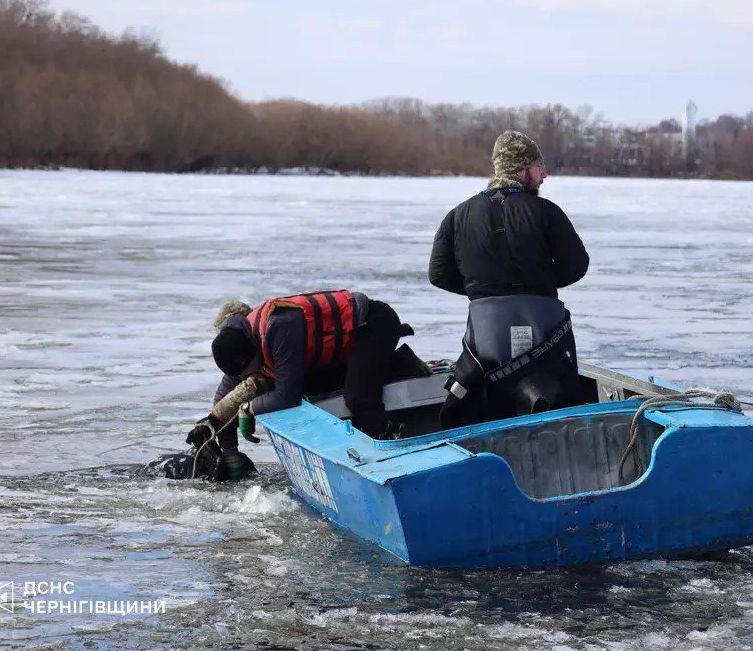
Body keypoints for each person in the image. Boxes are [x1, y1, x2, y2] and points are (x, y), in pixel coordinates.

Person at [428, 130, 589, 426]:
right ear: (520, 169)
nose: (544, 175)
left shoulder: (458, 215)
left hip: (486, 338)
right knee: (554, 394)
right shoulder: (547, 212)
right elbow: (577, 266)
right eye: (538, 167)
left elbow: (438, 274)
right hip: (544, 333)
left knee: (490, 397)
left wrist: (484, 291)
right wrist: (539, 286)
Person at [184, 290, 409, 480]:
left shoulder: (279, 327)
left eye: (251, 368)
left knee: (358, 398)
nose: (250, 375)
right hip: (343, 349)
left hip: (373, 326)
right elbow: (222, 401)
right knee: (313, 393)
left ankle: (393, 455)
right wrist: (230, 452)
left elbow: (286, 396)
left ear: (252, 350)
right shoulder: (237, 345)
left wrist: (249, 409)